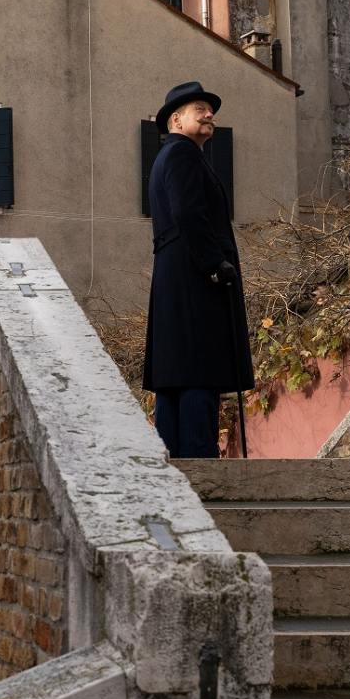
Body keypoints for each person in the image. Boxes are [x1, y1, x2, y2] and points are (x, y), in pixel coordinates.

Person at [143, 81, 254, 458]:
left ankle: (175, 456)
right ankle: (199, 456)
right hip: (194, 272)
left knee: (176, 371)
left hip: (175, 271)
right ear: (176, 119)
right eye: (199, 109)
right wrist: (214, 263)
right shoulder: (183, 155)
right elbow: (188, 212)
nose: (209, 115)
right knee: (199, 366)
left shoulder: (170, 156)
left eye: (210, 110)